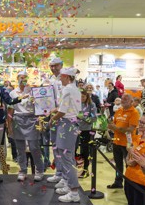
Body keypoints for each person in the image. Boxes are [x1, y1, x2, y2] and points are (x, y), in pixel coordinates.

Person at [49, 67, 82, 203]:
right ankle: (68, 184)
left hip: (66, 124)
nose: (60, 79)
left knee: (66, 157)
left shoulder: (68, 89)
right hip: (71, 123)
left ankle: (74, 191)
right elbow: (65, 107)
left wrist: (52, 119)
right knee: (65, 156)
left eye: (61, 77)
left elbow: (63, 111)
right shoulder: (75, 89)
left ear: (67, 77)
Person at [9, 71, 44, 182]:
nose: (22, 79)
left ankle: (39, 170)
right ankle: (23, 170)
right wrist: (9, 125)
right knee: (20, 148)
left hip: (32, 119)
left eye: (25, 77)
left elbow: (40, 107)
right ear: (17, 78)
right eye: (21, 77)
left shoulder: (33, 91)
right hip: (18, 120)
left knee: (34, 147)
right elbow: (10, 110)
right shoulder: (13, 93)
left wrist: (40, 121)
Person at [107, 94, 140, 189]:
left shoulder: (134, 112)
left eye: (126, 99)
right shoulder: (119, 110)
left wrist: (116, 128)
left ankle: (129, 184)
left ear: (131, 102)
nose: (123, 100)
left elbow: (130, 129)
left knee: (128, 164)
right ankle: (118, 181)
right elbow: (114, 123)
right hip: (116, 141)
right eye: (122, 99)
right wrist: (110, 125)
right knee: (118, 164)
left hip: (128, 144)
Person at [124, 114, 145, 205]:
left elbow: (144, 160)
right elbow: (129, 153)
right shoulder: (136, 137)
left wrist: (132, 158)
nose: (140, 124)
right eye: (140, 122)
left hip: (142, 181)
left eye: (143, 122)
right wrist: (128, 160)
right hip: (129, 177)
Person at [46, 57, 64, 183]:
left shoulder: (66, 78)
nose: (53, 68)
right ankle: (58, 172)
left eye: (55, 65)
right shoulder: (50, 80)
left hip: (64, 118)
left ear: (61, 65)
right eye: (51, 66)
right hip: (53, 117)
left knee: (64, 148)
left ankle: (65, 176)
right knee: (55, 146)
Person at [77, 89, 97, 178]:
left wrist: (83, 117)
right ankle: (78, 168)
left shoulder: (91, 105)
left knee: (85, 151)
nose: (81, 98)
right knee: (75, 150)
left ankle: (85, 170)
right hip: (76, 130)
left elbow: (94, 119)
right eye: (80, 96)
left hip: (86, 130)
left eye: (83, 96)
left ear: (87, 96)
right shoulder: (77, 104)